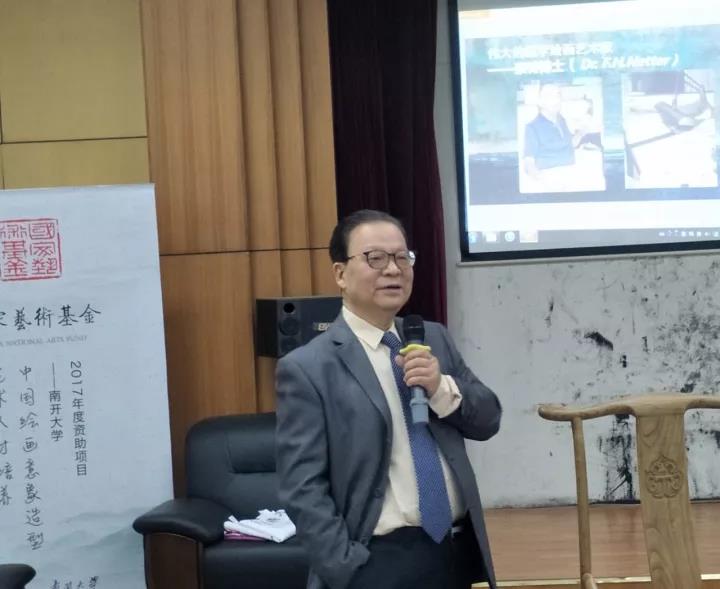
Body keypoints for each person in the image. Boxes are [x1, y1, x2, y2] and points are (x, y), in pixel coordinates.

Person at [275, 209, 502, 589]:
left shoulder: (432, 338)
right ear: (340, 274)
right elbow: (302, 487)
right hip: (377, 561)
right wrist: (346, 567)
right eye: (375, 258)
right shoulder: (309, 367)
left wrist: (440, 387)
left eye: (401, 257)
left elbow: (488, 419)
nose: (393, 270)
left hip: (453, 552)